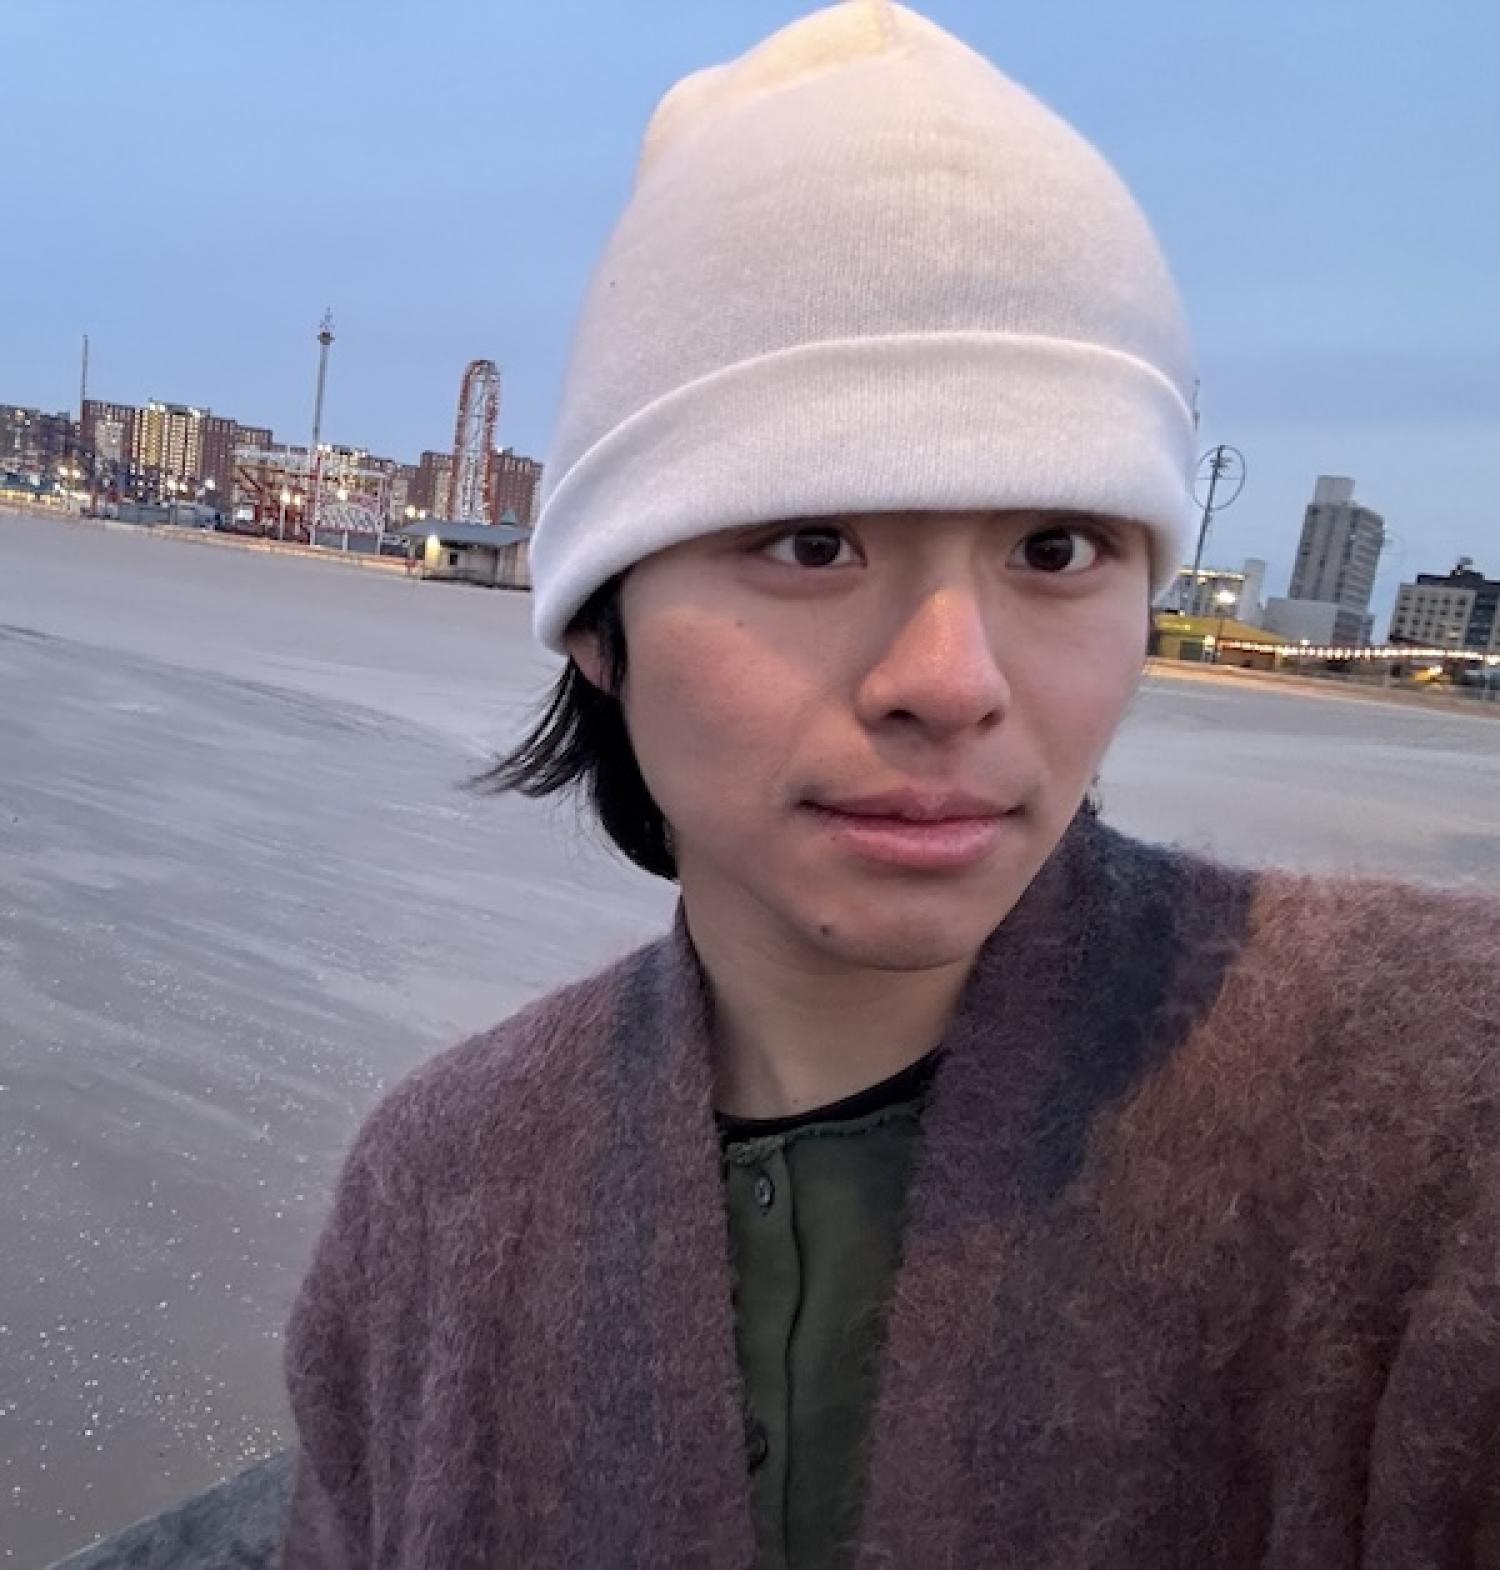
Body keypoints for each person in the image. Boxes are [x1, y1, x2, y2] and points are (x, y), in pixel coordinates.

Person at [281, 5, 1500, 1567]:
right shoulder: (435, 1203)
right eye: (811, 540)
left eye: (1057, 548)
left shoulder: (1427, 1126)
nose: (952, 674)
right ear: (600, 616)